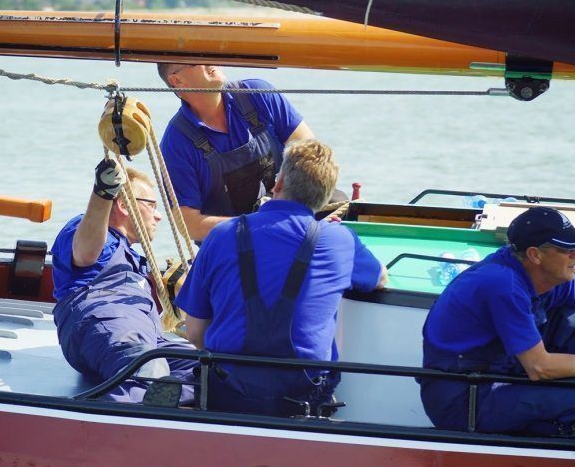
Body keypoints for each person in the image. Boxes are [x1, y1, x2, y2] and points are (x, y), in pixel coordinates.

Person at [176, 139, 387, 416]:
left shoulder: (222, 235)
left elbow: (194, 333)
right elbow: (380, 277)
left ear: (279, 183)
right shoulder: (339, 240)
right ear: (325, 197)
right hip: (303, 399)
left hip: (228, 395)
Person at [51, 159, 198, 403]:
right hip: (104, 321)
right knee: (149, 369)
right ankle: (112, 425)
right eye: (152, 205)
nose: (159, 216)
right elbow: (85, 253)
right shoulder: (87, 230)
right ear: (124, 205)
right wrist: (102, 194)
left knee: (212, 369)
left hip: (144, 336)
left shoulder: (132, 258)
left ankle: (167, 407)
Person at [420, 207, 575, 436]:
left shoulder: (548, 274)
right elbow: (539, 367)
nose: (574, 255)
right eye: (567, 250)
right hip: (464, 398)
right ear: (535, 255)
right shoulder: (503, 285)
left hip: (504, 374)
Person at [157, 63, 317, 242]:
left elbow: (309, 152)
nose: (211, 60)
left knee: (337, 201)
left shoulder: (257, 94)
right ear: (177, 80)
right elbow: (190, 224)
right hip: (235, 249)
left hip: (292, 218)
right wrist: (258, 226)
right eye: (198, 59)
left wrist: (283, 203)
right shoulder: (176, 143)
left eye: (210, 53)